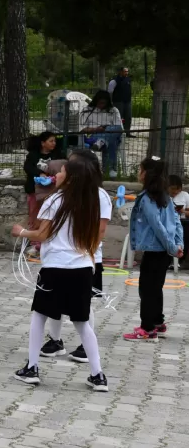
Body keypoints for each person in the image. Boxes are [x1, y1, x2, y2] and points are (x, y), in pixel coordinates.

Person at [10, 158, 109, 391]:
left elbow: (42, 234)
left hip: (55, 267)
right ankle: (98, 375)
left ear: (71, 177)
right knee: (82, 323)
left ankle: (32, 367)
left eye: (62, 171)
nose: (57, 174)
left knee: (39, 316)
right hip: (82, 268)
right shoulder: (92, 202)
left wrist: (21, 232)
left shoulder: (54, 200)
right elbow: (97, 234)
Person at [39, 149, 111, 363]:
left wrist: (87, 252)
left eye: (71, 164)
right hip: (61, 260)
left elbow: (100, 229)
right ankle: (55, 341)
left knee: (84, 303)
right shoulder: (64, 195)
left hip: (86, 260)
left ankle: (86, 346)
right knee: (54, 301)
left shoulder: (99, 195)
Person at [123, 157, 183, 341]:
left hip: (156, 250)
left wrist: (173, 247)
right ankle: (157, 322)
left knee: (147, 289)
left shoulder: (148, 198)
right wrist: (178, 244)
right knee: (155, 288)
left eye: (140, 170)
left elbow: (158, 226)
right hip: (163, 251)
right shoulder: (166, 197)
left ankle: (147, 329)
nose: (138, 173)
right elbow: (176, 222)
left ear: (147, 174)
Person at [23, 132, 62, 252]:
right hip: (35, 190)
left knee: (50, 215)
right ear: (43, 143)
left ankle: (50, 241)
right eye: (51, 141)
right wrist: (39, 173)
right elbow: (28, 168)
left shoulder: (58, 154)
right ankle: (35, 242)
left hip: (52, 190)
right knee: (35, 215)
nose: (54, 143)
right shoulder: (33, 155)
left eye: (55, 141)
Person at [79, 90, 124, 178]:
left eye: (104, 103)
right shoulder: (87, 110)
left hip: (111, 134)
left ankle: (102, 141)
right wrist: (96, 129)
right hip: (94, 135)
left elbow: (119, 128)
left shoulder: (114, 110)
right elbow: (81, 129)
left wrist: (106, 129)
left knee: (115, 131)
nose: (101, 105)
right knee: (112, 142)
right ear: (95, 101)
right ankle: (111, 170)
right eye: (99, 103)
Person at [169, 175, 189, 269]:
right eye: (172, 189)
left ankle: (180, 260)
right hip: (169, 221)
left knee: (185, 231)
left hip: (183, 221)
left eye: (178, 189)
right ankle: (169, 260)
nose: (175, 191)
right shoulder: (165, 196)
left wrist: (183, 211)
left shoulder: (185, 195)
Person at [107, 66, 134, 137]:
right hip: (118, 102)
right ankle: (116, 133)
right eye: (125, 71)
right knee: (118, 117)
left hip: (127, 101)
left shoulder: (128, 80)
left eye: (127, 71)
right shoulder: (114, 81)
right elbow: (110, 92)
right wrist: (110, 102)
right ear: (121, 72)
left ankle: (127, 132)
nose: (127, 73)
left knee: (128, 117)